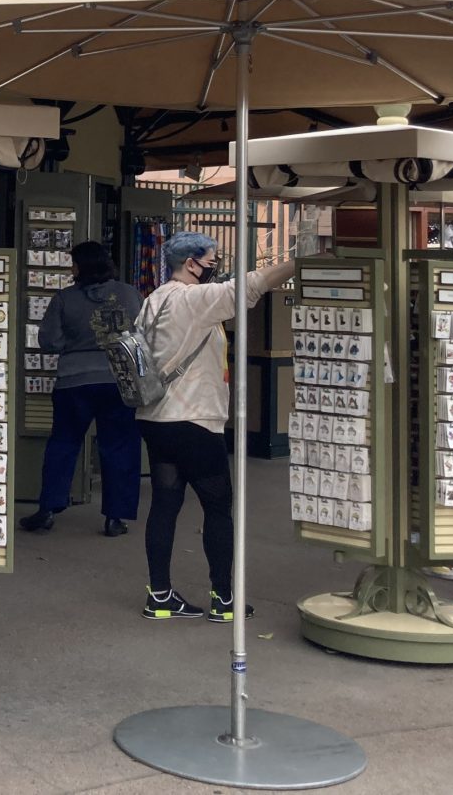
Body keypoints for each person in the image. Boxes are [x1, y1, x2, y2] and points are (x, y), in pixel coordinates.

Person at [134, 231, 294, 624]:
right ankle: (224, 599)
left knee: (165, 505)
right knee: (218, 508)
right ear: (191, 264)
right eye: (211, 259)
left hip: (156, 418)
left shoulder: (152, 302)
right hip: (194, 419)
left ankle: (160, 595)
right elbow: (250, 286)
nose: (215, 266)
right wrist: (298, 264)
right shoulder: (193, 300)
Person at [19, 242, 143, 538]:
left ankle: (48, 508)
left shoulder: (64, 299)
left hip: (74, 382)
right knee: (119, 446)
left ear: (83, 266)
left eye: (73, 263)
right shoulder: (129, 294)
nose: (70, 268)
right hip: (118, 380)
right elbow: (144, 334)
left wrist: (73, 348)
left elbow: (48, 340)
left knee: (63, 443)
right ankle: (115, 517)